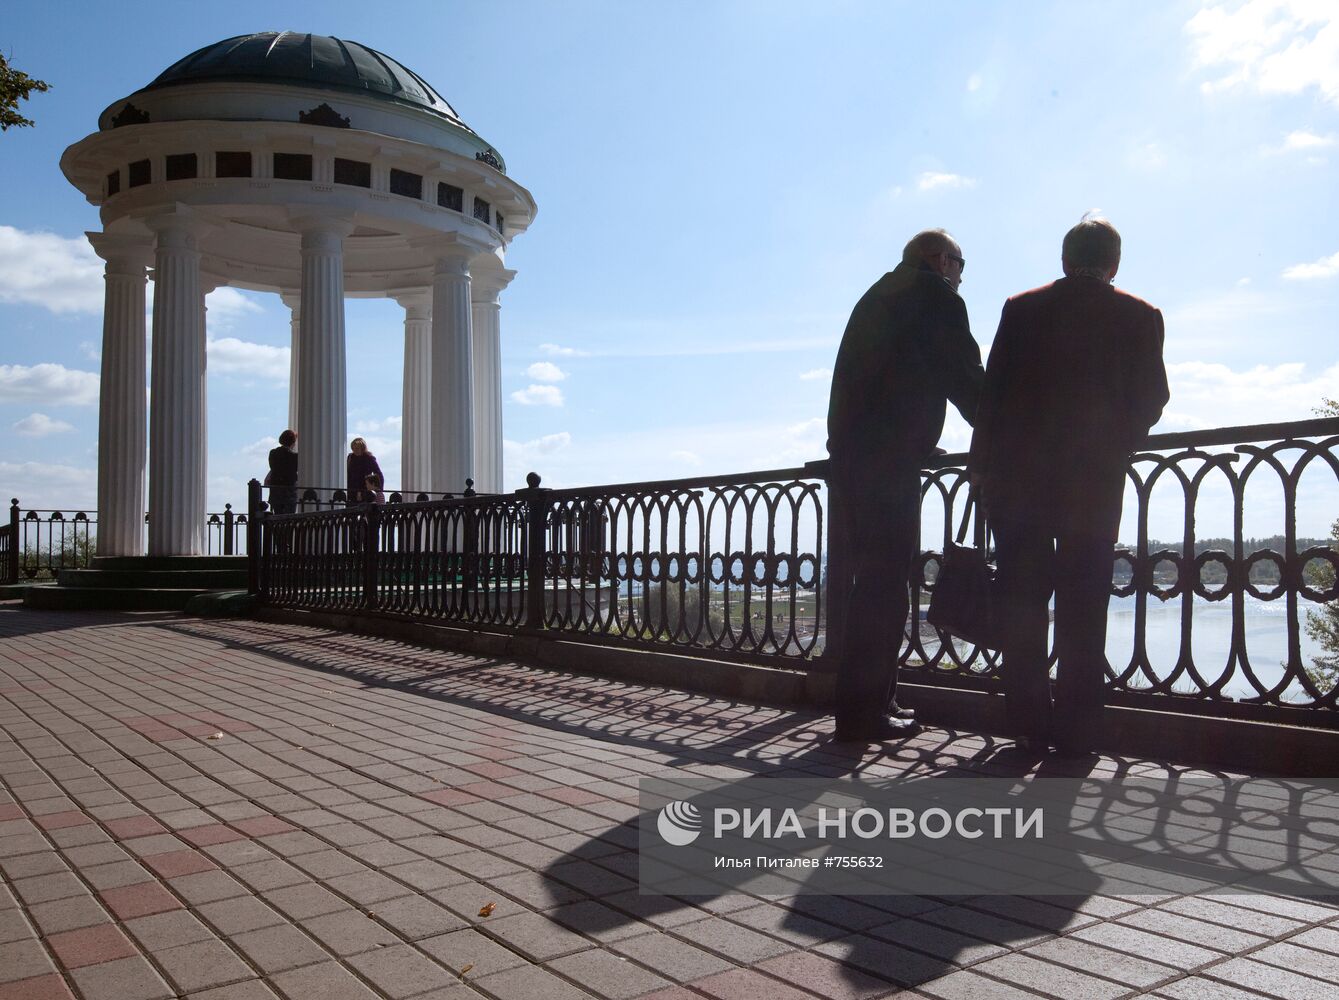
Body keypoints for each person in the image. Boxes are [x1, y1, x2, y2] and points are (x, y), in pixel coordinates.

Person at [968, 217, 1169, 755]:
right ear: (1115, 263)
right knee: (1085, 605)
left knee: (1023, 603)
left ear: (1064, 259)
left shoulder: (1021, 308)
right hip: (1092, 485)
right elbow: (1152, 398)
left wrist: (982, 466)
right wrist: (1113, 442)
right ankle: (1079, 731)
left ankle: (1028, 722)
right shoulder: (1139, 315)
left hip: (1019, 483)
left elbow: (992, 398)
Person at [826, 229, 985, 741]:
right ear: (941, 261)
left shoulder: (876, 294)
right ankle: (864, 715)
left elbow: (876, 378)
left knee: (871, 582)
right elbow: (965, 378)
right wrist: (1007, 427)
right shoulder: (935, 295)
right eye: (961, 264)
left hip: (853, 457)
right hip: (886, 462)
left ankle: (870, 705)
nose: (962, 275)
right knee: (885, 587)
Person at [267, 429, 299, 514]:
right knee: (289, 517)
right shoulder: (294, 456)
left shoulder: (273, 453)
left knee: (278, 516)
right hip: (289, 492)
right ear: (293, 442)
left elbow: (273, 467)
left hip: (275, 490)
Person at [346, 437, 384, 504]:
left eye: (357, 448)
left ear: (362, 448)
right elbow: (347, 474)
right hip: (351, 490)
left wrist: (379, 491)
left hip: (365, 490)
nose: (355, 450)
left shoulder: (369, 458)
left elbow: (378, 473)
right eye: (353, 448)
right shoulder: (350, 458)